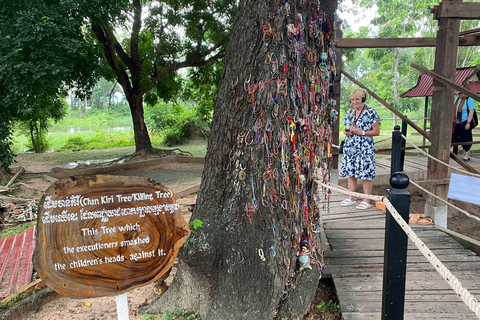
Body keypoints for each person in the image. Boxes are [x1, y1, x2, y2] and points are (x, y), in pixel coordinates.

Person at [339, 88, 380, 210]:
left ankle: (367, 199)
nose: (354, 102)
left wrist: (361, 132)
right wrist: (346, 132)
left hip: (365, 147)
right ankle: (351, 197)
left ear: (363, 99)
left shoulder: (371, 112)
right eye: (352, 100)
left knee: (365, 172)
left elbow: (376, 131)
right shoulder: (350, 112)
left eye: (357, 99)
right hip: (351, 146)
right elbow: (346, 127)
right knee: (351, 171)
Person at [452, 92, 476, 161]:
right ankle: (454, 153)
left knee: (466, 137)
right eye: (458, 94)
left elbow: (471, 111)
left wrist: (468, 122)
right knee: (454, 137)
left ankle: (467, 155)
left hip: (465, 121)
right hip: (456, 122)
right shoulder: (457, 100)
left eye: (461, 93)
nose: (459, 95)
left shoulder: (469, 99)